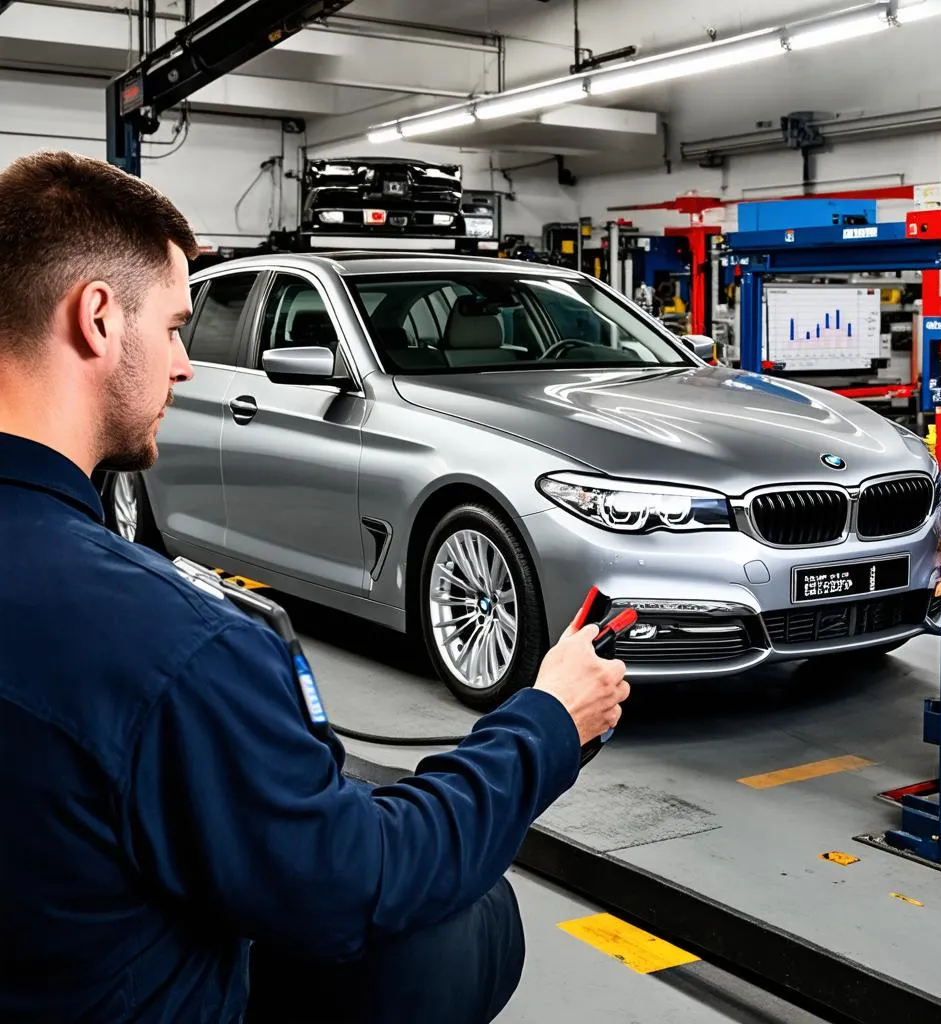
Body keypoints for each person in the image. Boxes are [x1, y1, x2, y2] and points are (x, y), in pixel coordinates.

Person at [0, 151, 630, 1024]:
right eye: (178, 327)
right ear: (99, 319)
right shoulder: (172, 644)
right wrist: (548, 720)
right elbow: (359, 883)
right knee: (465, 921)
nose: (186, 368)